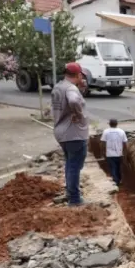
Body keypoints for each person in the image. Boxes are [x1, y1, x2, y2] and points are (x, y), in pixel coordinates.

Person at [51, 62, 89, 207]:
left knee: (70, 163)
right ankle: (74, 199)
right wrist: (78, 114)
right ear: (78, 75)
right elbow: (73, 100)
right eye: (81, 75)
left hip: (61, 132)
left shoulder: (59, 87)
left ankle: (70, 192)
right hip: (74, 134)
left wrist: (81, 89)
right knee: (74, 166)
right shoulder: (71, 89)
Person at [100, 118, 128, 185]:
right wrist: (125, 153)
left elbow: (102, 143)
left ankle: (116, 181)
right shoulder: (121, 131)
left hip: (110, 154)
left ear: (109, 124)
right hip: (119, 154)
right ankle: (119, 180)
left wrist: (103, 152)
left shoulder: (106, 131)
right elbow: (125, 143)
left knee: (113, 167)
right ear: (117, 124)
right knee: (118, 167)